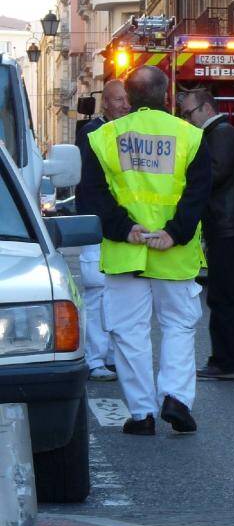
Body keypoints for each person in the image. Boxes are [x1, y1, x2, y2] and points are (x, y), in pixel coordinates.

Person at [83, 66, 211, 435]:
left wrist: (125, 228)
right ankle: (175, 398)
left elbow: (93, 195)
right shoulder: (189, 135)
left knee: (128, 333)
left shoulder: (103, 137)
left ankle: (141, 414)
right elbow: (198, 193)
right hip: (174, 252)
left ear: (130, 98)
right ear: (166, 96)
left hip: (126, 251)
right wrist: (175, 233)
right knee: (178, 327)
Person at [181, 90, 234, 382]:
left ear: (206, 107)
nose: (186, 120)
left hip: (230, 228)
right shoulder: (220, 133)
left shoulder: (221, 133)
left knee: (225, 297)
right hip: (229, 227)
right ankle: (224, 360)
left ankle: (225, 363)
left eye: (189, 113)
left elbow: (215, 173)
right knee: (225, 296)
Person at [75, 79, 131, 382]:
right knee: (97, 292)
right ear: (106, 103)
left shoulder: (128, 130)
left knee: (117, 292)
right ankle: (95, 358)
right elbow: (90, 185)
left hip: (120, 224)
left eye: (126, 100)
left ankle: (110, 355)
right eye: (119, 100)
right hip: (97, 224)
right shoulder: (92, 133)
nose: (125, 105)